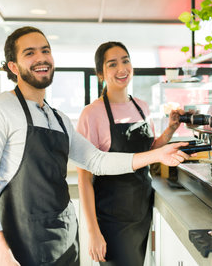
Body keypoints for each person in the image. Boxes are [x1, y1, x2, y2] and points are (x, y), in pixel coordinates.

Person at [0, 27, 191, 266]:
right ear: (13, 66)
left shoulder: (58, 118)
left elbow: (97, 161)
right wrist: (1, 254)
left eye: (46, 51)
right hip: (22, 245)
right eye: (29, 53)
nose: (41, 58)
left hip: (66, 240)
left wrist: (157, 153)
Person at [76, 41, 186, 266]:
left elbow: (150, 152)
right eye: (112, 64)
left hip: (142, 209)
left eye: (125, 60)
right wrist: (93, 232)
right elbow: (84, 179)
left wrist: (171, 129)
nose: (122, 68)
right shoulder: (91, 114)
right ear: (100, 74)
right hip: (112, 218)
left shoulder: (141, 106)